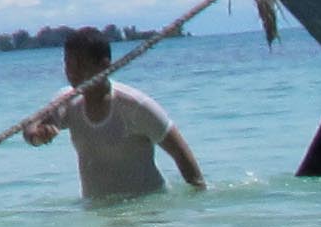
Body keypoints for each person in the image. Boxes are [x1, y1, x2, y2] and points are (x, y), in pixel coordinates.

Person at [21, 29, 203, 199]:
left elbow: (181, 154)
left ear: (104, 65)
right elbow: (32, 126)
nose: (73, 73)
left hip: (146, 208)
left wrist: (199, 202)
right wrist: (38, 136)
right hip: (98, 212)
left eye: (81, 66)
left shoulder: (135, 106)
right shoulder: (67, 102)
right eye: (68, 65)